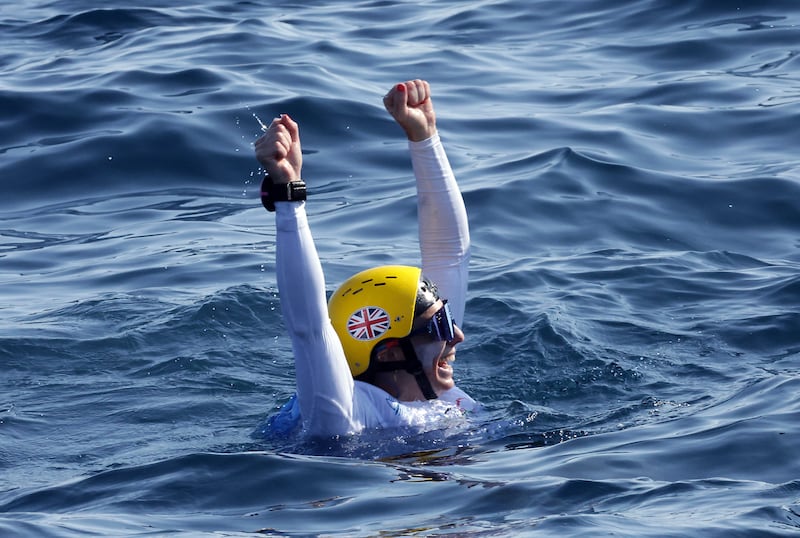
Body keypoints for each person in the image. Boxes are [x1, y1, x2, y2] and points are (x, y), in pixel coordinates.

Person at [254, 79, 477, 438]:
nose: (458, 336)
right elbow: (309, 330)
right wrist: (287, 195)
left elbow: (450, 252)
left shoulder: (431, 382)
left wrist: (425, 138)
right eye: (439, 327)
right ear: (389, 353)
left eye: (447, 318)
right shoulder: (344, 416)